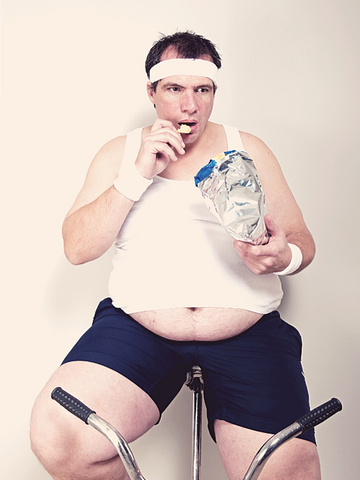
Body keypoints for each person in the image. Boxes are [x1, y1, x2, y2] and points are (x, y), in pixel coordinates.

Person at [30, 31, 321, 479]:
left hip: (248, 329)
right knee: (59, 436)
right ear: (151, 92)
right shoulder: (121, 153)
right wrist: (137, 175)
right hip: (140, 328)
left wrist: (285, 258)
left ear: (214, 93)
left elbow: (302, 241)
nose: (190, 106)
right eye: (175, 89)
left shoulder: (248, 148)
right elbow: (77, 248)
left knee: (290, 473)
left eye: (202, 90)